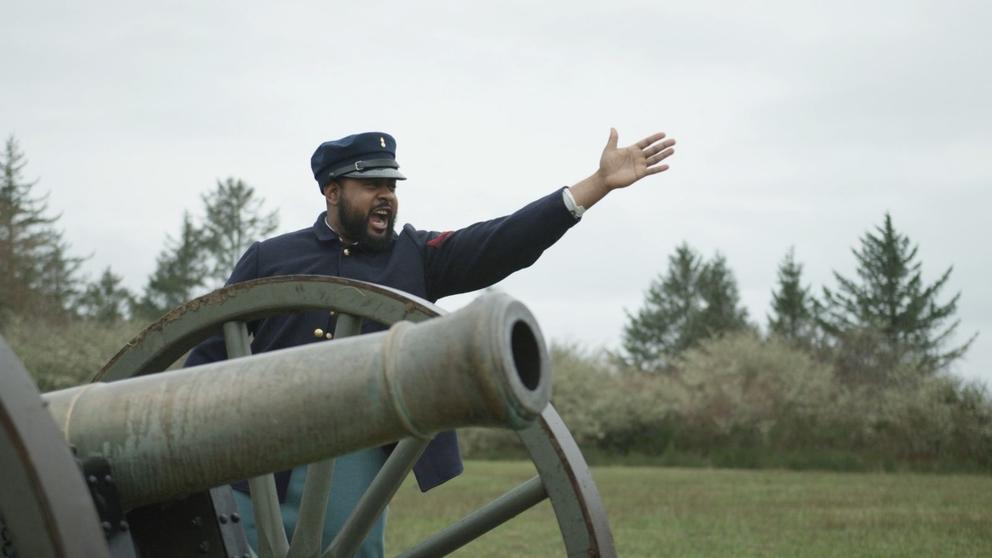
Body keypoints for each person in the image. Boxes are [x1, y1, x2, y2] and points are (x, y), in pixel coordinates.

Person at [185, 128, 676, 557]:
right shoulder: (271, 258)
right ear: (332, 191)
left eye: (391, 186)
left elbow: (501, 240)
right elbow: (209, 352)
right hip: (255, 455)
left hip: (352, 454)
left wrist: (594, 187)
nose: (387, 196)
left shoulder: (416, 256)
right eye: (371, 185)